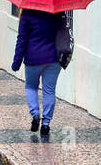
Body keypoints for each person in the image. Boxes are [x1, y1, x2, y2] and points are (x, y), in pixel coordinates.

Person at [11, 8, 65, 140]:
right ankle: (46, 124)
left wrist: (16, 61)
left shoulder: (27, 14)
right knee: (49, 91)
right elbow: (63, 34)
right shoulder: (58, 12)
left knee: (31, 87)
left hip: (33, 58)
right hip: (53, 58)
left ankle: (35, 114)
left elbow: (22, 39)